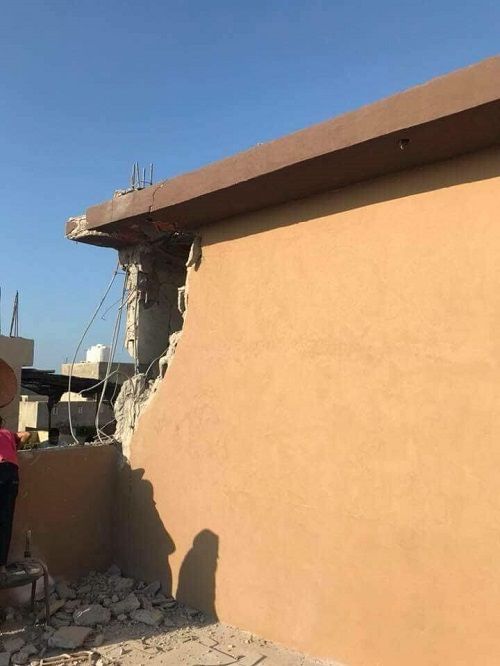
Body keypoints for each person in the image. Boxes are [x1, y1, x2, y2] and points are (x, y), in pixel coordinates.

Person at [0, 416, 29, 575]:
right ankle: (1, 567)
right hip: (12, 474)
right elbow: (26, 434)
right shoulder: (7, 433)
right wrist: (15, 448)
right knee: (6, 521)